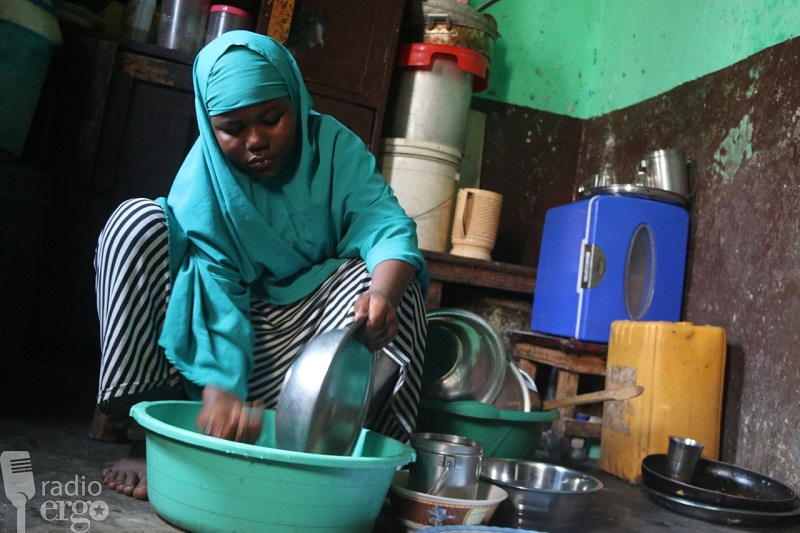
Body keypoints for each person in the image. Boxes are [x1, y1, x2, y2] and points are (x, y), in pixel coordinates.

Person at [88, 30, 429, 501]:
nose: (255, 141)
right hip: (218, 342)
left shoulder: (332, 148)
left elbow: (386, 225)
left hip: (307, 355)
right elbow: (214, 288)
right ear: (210, 127)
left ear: (294, 96)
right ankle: (149, 436)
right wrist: (220, 389)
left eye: (272, 120)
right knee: (136, 224)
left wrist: (383, 297)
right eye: (231, 129)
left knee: (391, 279)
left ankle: (332, 461)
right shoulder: (205, 176)